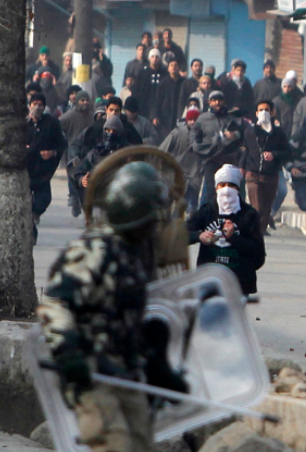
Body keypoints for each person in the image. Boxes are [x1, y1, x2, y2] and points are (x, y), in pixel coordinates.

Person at [37, 161, 186, 452]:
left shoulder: (136, 254)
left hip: (126, 372)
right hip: (92, 375)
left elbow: (132, 317)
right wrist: (68, 353)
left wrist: (158, 369)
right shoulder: (94, 250)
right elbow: (55, 302)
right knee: (116, 446)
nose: (156, 223)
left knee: (141, 444)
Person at [187, 164, 265, 295]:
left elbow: (258, 255)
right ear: (216, 187)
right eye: (222, 185)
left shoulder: (249, 215)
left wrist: (235, 238)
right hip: (208, 281)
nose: (226, 190)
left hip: (238, 285)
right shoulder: (206, 212)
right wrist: (199, 236)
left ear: (238, 188)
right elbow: (180, 234)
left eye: (231, 185)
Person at [239, 100, 291, 235]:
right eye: (261, 110)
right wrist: (242, 166)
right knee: (257, 206)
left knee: (266, 207)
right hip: (253, 174)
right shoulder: (250, 131)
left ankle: (260, 229)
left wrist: (274, 155)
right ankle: (254, 231)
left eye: (266, 110)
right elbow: (246, 150)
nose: (263, 113)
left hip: (271, 174)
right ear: (256, 113)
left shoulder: (278, 133)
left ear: (272, 112)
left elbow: (288, 152)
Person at [190, 90, 245, 206]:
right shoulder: (202, 118)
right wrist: (204, 147)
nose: (217, 103)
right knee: (211, 191)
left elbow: (244, 132)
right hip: (211, 159)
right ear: (209, 102)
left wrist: (235, 135)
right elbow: (195, 137)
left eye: (219, 100)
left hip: (229, 159)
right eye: (214, 100)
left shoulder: (231, 117)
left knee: (232, 190)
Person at [27, 93, 68, 243]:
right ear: (30, 105)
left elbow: (62, 144)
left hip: (43, 171)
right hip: (25, 170)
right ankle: (30, 234)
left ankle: (33, 217)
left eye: (40, 104)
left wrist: (52, 153)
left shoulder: (51, 123)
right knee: (25, 205)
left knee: (43, 199)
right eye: (34, 104)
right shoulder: (23, 123)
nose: (37, 107)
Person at [73, 115, 129, 200]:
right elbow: (79, 172)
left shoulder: (128, 152)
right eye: (108, 130)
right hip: (100, 199)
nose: (110, 133)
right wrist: (82, 180)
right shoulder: (96, 153)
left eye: (114, 131)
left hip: (122, 199)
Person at [160, 109, 202, 215]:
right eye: (190, 119)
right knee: (170, 205)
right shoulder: (177, 133)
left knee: (191, 208)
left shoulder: (203, 135)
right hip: (176, 174)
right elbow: (162, 150)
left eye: (195, 120)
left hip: (194, 176)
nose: (192, 122)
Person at [133, 49, 169, 123]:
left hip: (160, 109)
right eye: (152, 56)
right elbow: (136, 91)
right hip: (144, 108)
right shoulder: (142, 73)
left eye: (157, 57)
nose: (154, 59)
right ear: (149, 58)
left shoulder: (165, 74)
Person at [155, 59, 185, 140]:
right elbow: (158, 100)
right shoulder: (163, 82)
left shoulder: (184, 82)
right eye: (171, 65)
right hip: (165, 115)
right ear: (168, 68)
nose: (173, 68)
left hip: (179, 113)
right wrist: (156, 116)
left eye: (176, 65)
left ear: (179, 68)